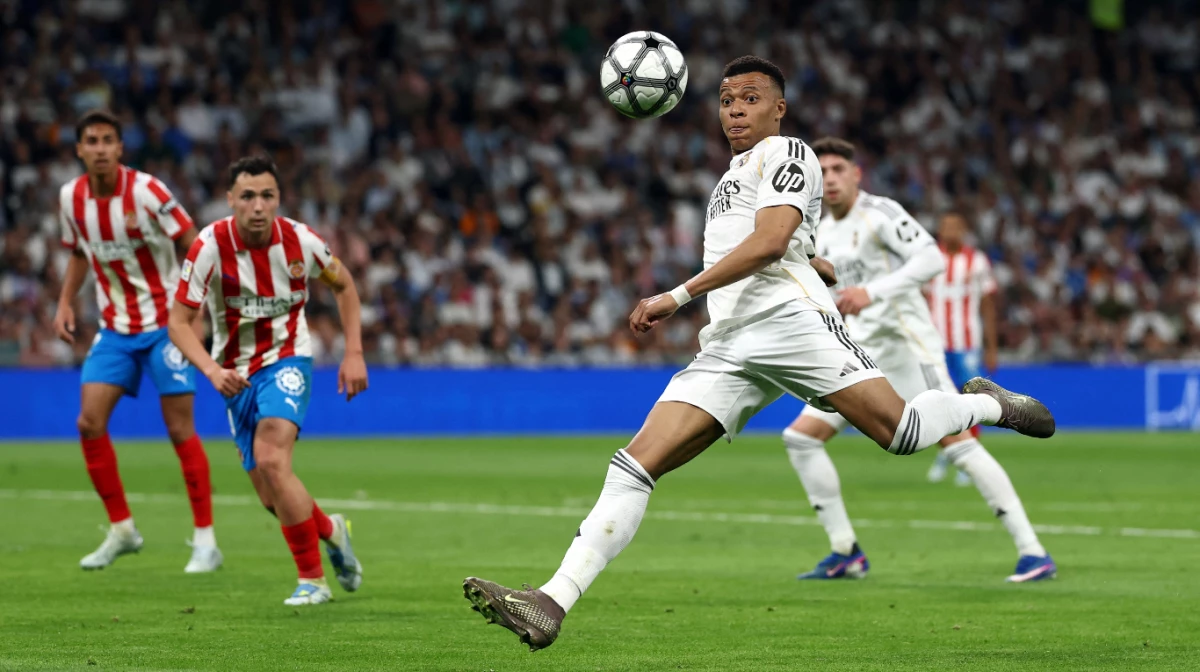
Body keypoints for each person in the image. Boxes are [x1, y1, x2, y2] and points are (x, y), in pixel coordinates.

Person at [461, 56, 1056, 651]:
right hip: (729, 342)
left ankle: (990, 406)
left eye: (750, 98)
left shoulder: (788, 152)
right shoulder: (731, 178)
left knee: (899, 433)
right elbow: (783, 239)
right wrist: (812, 259)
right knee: (635, 464)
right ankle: (552, 601)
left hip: (790, 324)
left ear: (779, 108)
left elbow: (770, 242)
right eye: (726, 101)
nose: (736, 111)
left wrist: (677, 295)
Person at [779, 137, 1056, 584]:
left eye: (838, 169)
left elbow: (930, 260)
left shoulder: (881, 213)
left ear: (856, 174)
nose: (829, 179)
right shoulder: (820, 230)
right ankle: (845, 551)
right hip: (859, 355)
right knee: (801, 439)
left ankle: (1033, 551)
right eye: (822, 171)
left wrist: (873, 292)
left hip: (907, 348)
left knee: (958, 443)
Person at [167, 156, 368, 606]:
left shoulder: (302, 241)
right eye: (247, 196)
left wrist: (354, 352)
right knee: (269, 493)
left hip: (288, 359)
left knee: (273, 460)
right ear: (230, 200)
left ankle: (312, 580)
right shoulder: (209, 246)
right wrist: (212, 370)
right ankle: (332, 531)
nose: (257, 206)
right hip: (234, 372)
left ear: (279, 199)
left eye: (267, 196)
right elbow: (178, 322)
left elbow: (344, 285)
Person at [54, 109, 221, 573]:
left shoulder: (148, 191)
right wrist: (65, 301)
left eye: (108, 139)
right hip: (115, 328)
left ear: (120, 147)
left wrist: (196, 311)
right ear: (79, 149)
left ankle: (206, 540)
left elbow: (192, 243)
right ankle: (122, 529)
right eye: (92, 140)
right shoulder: (70, 198)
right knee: (89, 422)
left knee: (179, 429)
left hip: (168, 325)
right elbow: (78, 253)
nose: (101, 148)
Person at [925, 211, 999, 486]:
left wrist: (992, 347)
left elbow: (988, 305)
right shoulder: (929, 258)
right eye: (946, 226)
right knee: (939, 400)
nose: (951, 231)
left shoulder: (976, 261)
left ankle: (968, 459)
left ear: (964, 230)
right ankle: (947, 452)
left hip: (967, 343)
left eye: (956, 226)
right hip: (934, 343)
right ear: (940, 231)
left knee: (971, 399)